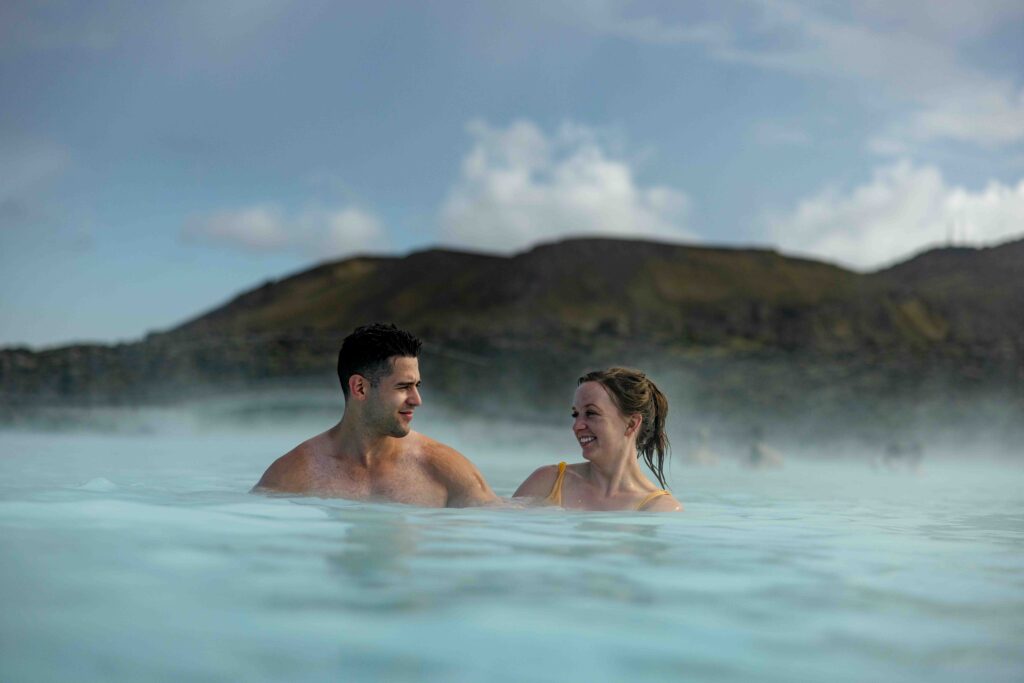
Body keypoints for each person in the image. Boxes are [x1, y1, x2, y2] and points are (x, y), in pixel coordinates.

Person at [253, 323, 498, 507]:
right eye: (403, 387)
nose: (417, 400)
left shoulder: (443, 469)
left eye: (417, 386)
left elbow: (497, 535)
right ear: (360, 388)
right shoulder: (294, 474)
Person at [514, 368, 683, 512]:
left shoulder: (658, 508)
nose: (577, 426)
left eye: (591, 413)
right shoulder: (549, 482)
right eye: (575, 415)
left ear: (631, 424)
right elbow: (502, 517)